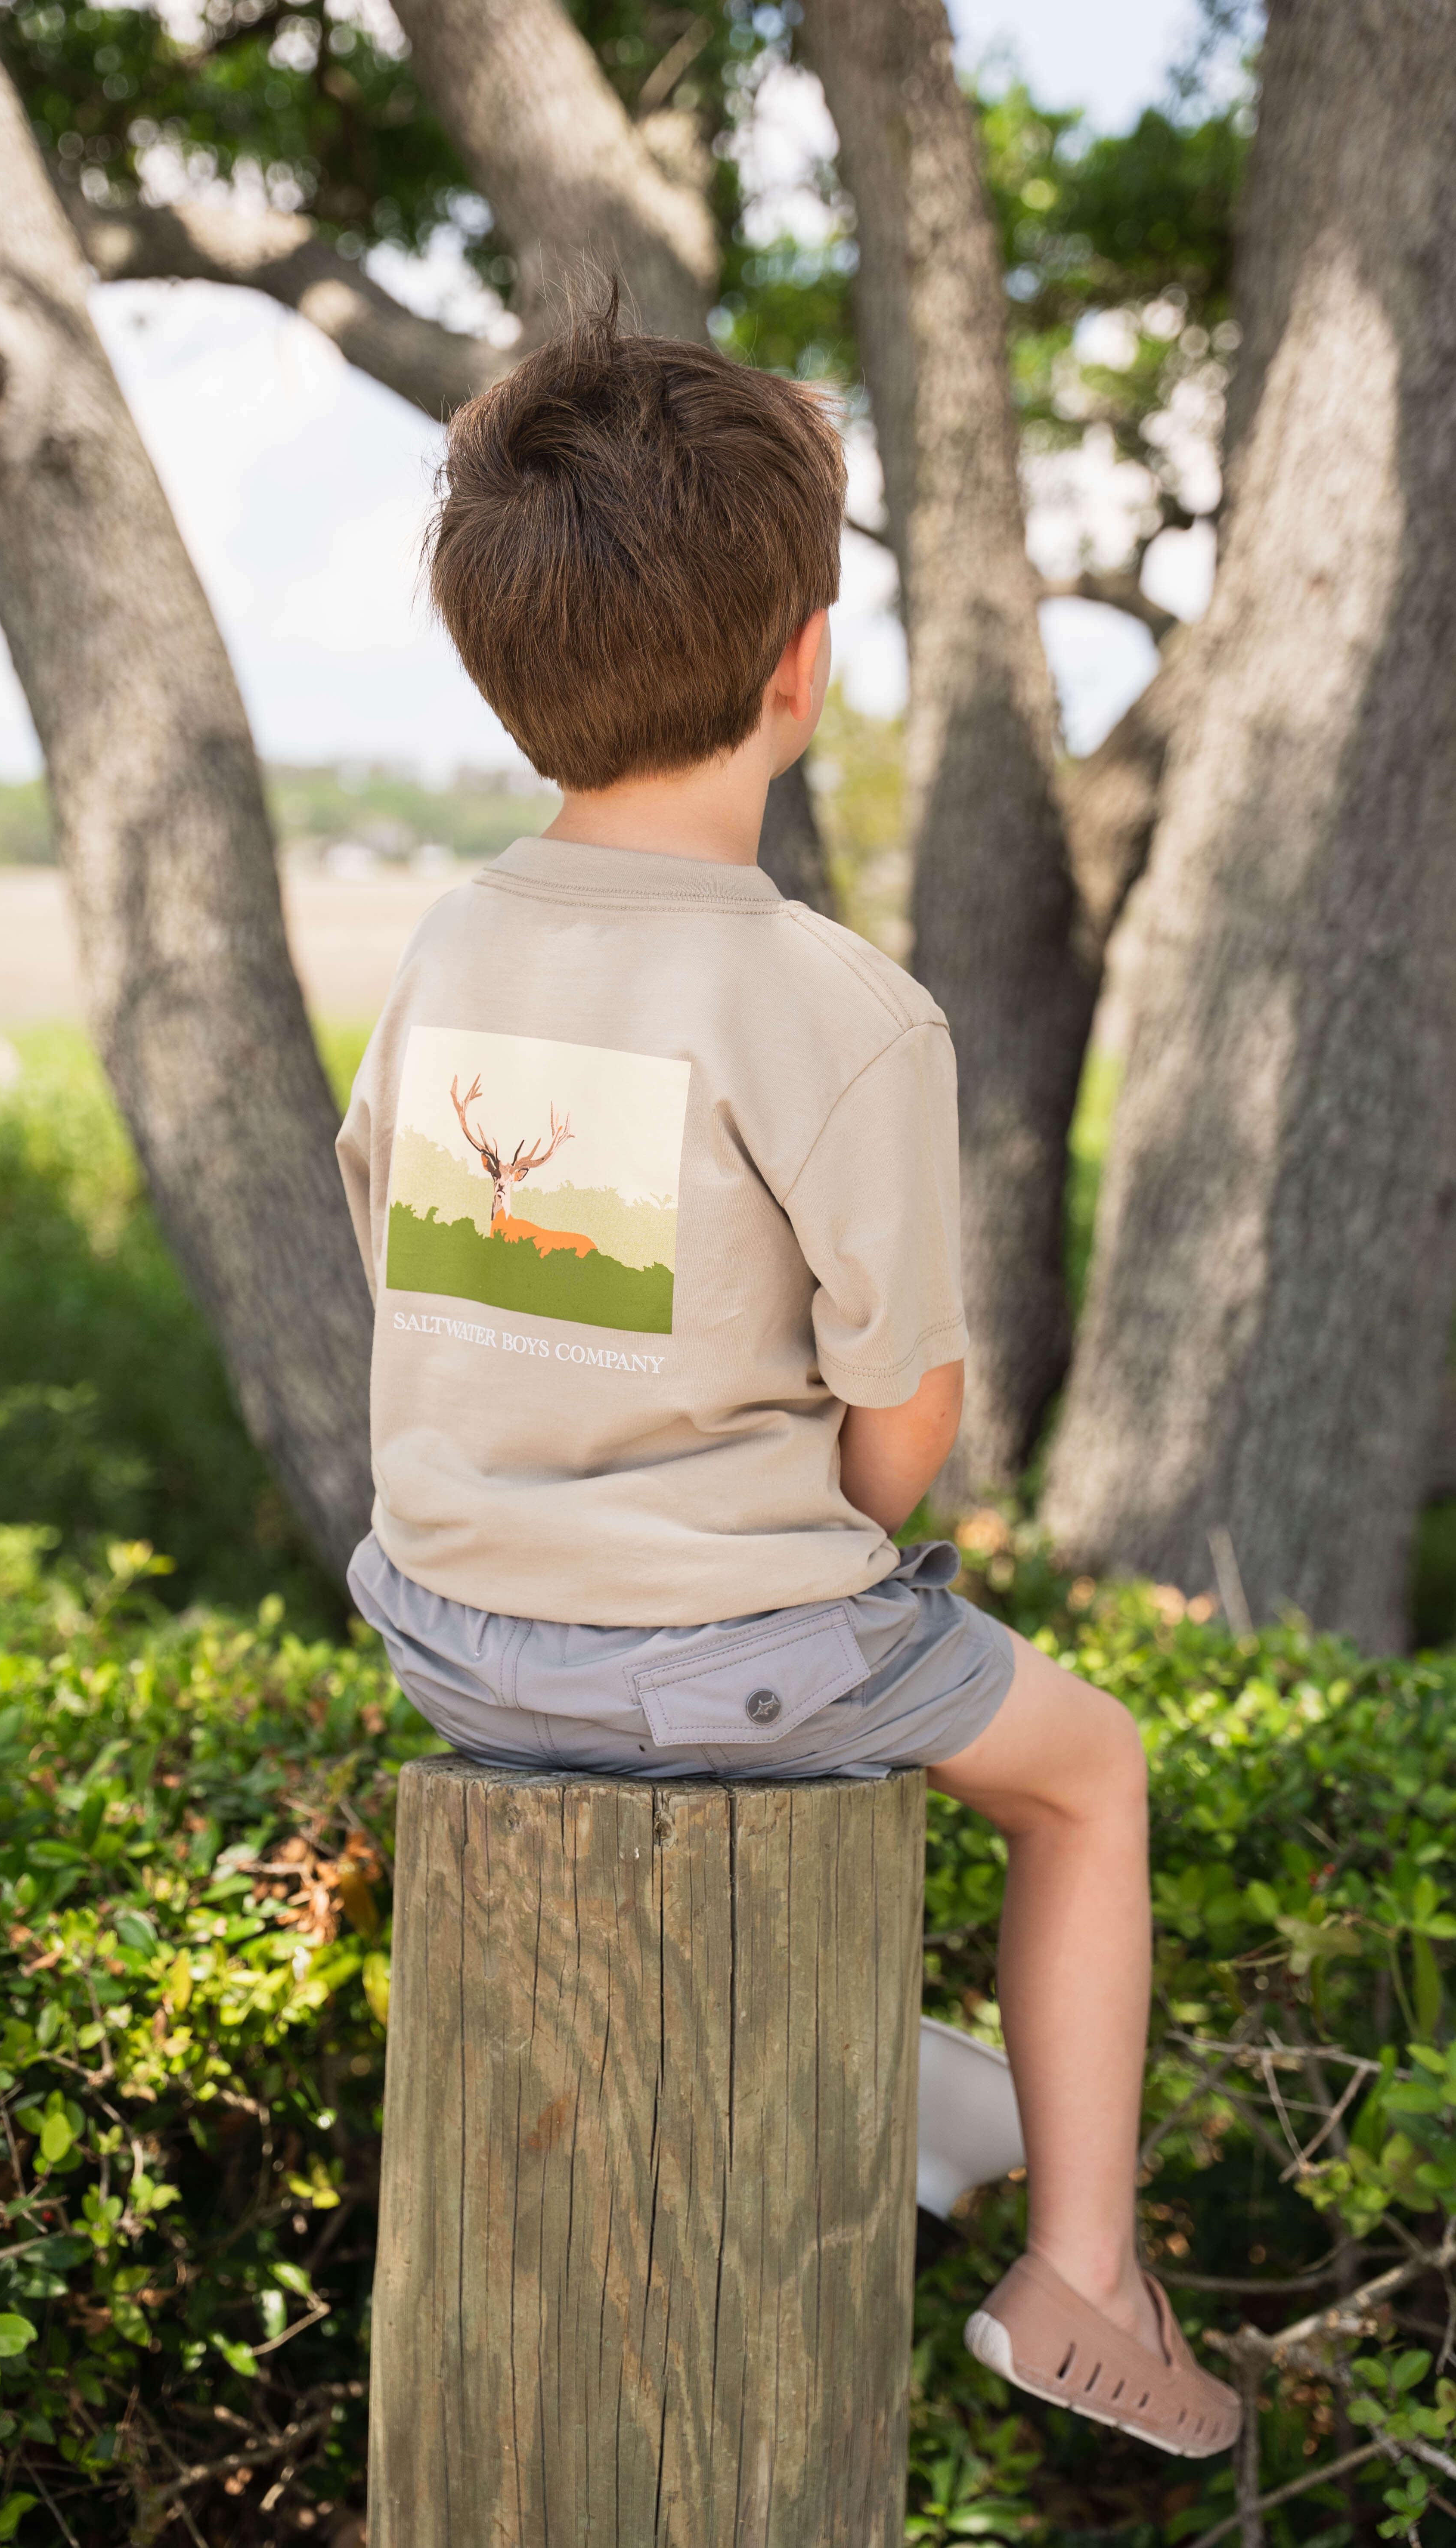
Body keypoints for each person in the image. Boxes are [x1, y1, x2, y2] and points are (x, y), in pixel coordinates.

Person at [335, 291, 1239, 2461]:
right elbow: (903, 1437)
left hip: (452, 1633)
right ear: (804, 670)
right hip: (702, 1653)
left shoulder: (449, 948)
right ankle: (1085, 2271)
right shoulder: (839, 1010)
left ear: (496, 660)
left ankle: (914, 2073)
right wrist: (817, 1518)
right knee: (1083, 1770)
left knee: (768, 1666)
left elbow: (415, 1264)